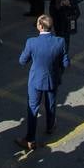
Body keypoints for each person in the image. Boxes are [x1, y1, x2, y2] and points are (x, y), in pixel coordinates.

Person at [16, 14, 69, 152]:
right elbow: (66, 63)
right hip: (52, 80)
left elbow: (22, 61)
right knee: (51, 104)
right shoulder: (60, 42)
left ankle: (30, 139)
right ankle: (50, 126)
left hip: (36, 81)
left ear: (40, 26)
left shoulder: (31, 42)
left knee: (33, 108)